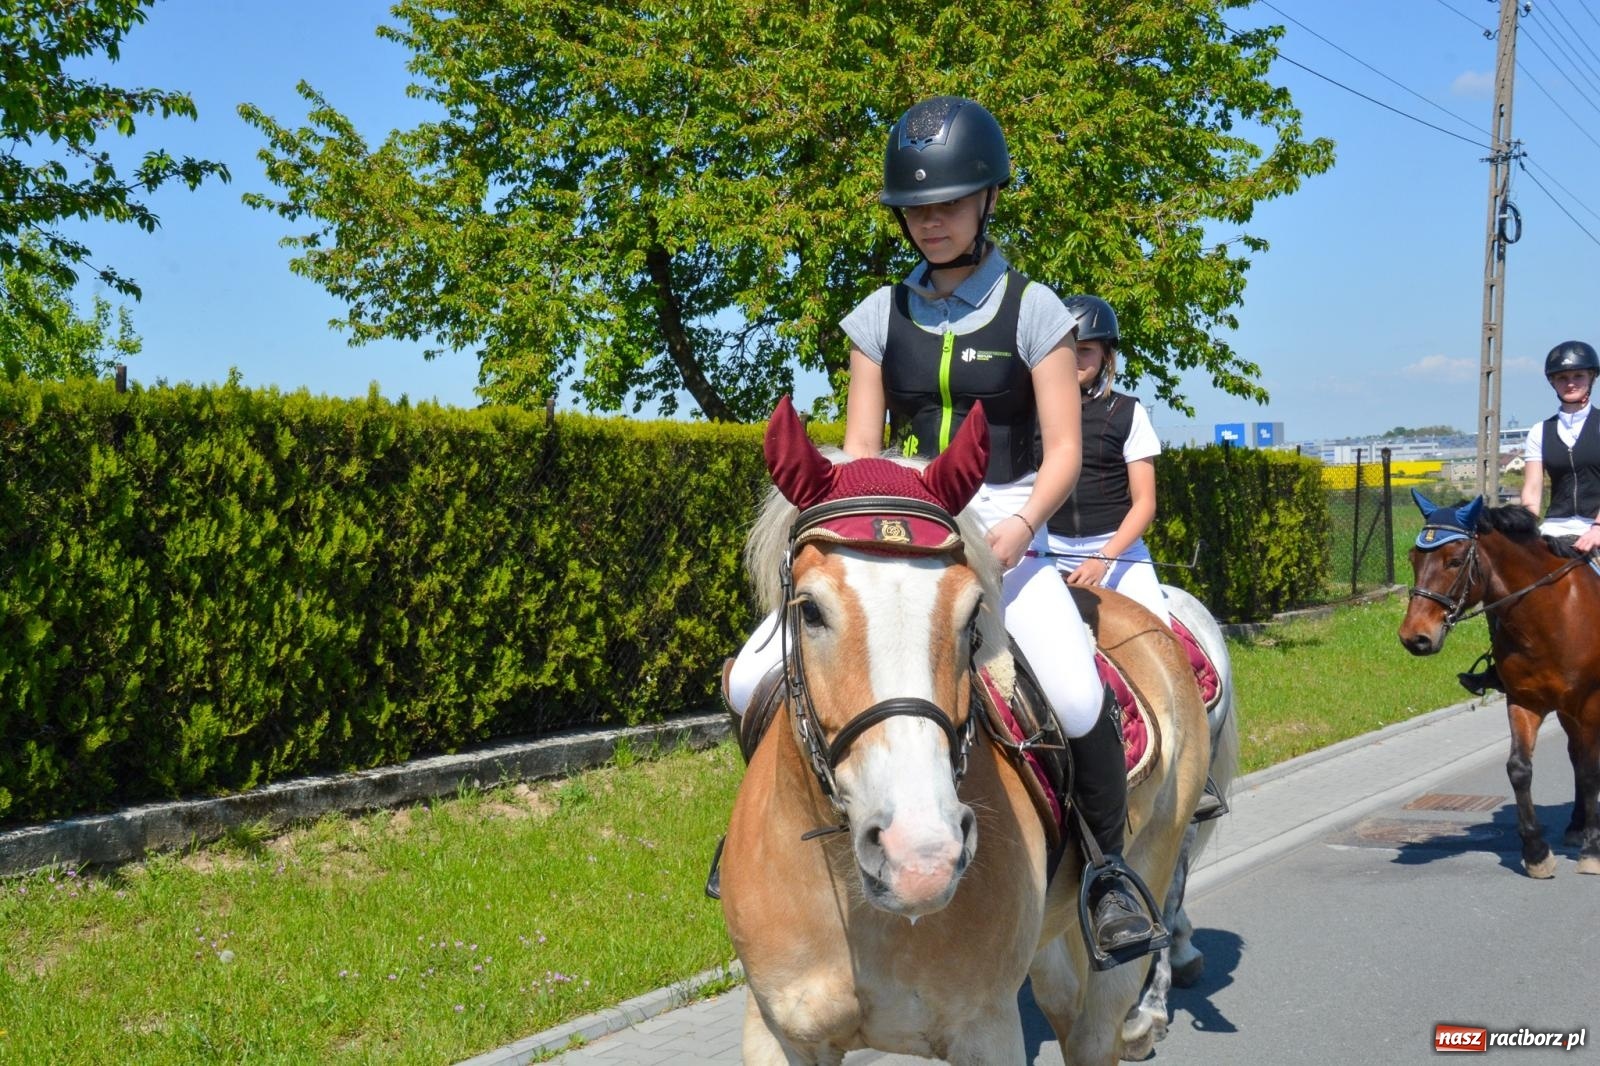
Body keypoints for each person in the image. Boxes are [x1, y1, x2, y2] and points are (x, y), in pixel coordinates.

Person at [728, 96, 1159, 962]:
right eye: (917, 209)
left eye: (949, 204)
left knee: (1076, 693)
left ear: (987, 201)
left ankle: (1109, 872)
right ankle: (784, 845)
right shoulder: (875, 319)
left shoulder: (1039, 313)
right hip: (899, 532)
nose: (932, 221)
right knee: (748, 679)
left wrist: (1020, 527)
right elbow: (858, 452)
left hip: (1004, 522)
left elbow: (1066, 450)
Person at [1459, 339, 1600, 696]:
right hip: (1556, 526)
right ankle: (1500, 665)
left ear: (1591, 379)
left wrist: (1598, 528)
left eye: (1578, 376)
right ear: (1553, 382)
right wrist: (1521, 529)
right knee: (1506, 583)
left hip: (1596, 526)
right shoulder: (1540, 431)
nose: (1571, 382)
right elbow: (1533, 487)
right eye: (1563, 377)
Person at [1044, 295, 1169, 626]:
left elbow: (1145, 504)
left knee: (1158, 637)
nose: (1073, 358)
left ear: (1105, 356)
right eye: (1066, 348)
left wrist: (1103, 559)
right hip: (1047, 547)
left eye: (1085, 349)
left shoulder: (1129, 412)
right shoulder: (1031, 414)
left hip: (1118, 551)